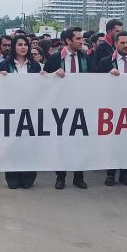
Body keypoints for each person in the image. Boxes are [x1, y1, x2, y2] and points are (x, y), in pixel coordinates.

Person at [44, 26, 90, 190]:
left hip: (81, 107)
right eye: (78, 38)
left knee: (80, 143)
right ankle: (61, 177)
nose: (82, 41)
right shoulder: (55, 59)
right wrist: (52, 75)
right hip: (60, 107)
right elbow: (42, 78)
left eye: (82, 38)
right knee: (61, 142)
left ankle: (78, 176)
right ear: (68, 41)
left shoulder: (85, 58)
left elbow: (96, 78)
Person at [98, 31, 127, 187]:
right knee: (111, 141)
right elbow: (96, 82)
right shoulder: (105, 62)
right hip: (112, 107)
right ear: (116, 44)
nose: (126, 45)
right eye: (122, 43)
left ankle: (125, 174)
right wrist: (107, 75)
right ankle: (110, 174)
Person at [0, 35, 41, 190]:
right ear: (14, 47)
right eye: (20, 44)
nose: (23, 47)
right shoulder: (4, 65)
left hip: (31, 111)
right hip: (11, 111)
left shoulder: (36, 66)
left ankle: (28, 176)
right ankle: (12, 176)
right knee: (12, 144)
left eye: (25, 45)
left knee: (29, 145)